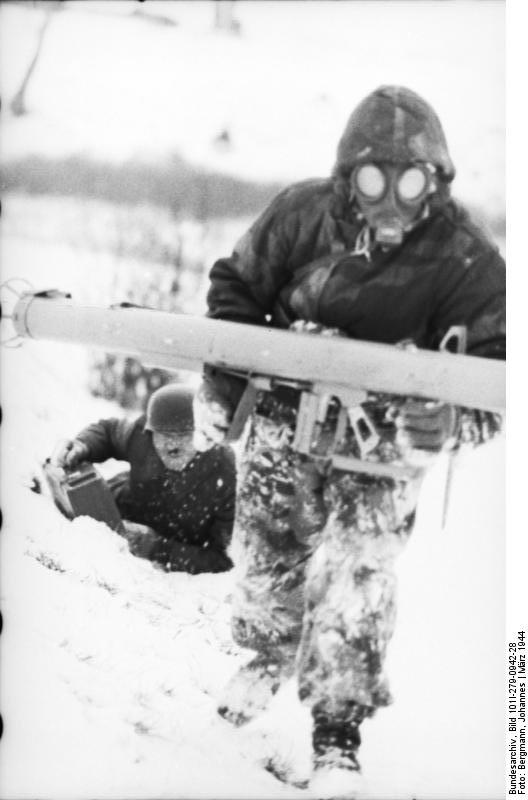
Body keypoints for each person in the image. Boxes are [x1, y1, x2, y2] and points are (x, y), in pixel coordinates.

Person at [193, 85, 505, 795]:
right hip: (286, 420)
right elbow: (236, 287)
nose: (391, 199)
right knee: (268, 559)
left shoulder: (468, 259)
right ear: (346, 179)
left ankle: (337, 733)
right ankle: (266, 658)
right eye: (372, 179)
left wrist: (452, 419)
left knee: (357, 578)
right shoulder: (302, 216)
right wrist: (228, 377)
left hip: (383, 444)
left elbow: (500, 376)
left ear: (438, 180)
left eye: (411, 179)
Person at [51, 383, 236, 574]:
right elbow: (108, 431)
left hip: (179, 544)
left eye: (183, 435)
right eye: (163, 435)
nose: (172, 445)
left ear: (202, 436)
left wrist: (157, 548)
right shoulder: (141, 436)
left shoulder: (226, 475)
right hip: (125, 503)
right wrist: (83, 445)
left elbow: (223, 560)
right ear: (150, 432)